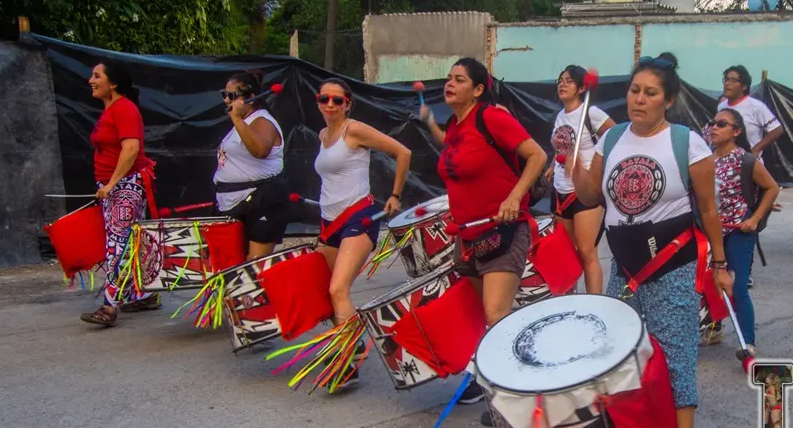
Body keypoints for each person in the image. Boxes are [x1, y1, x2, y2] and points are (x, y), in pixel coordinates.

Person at [573, 52, 731, 428]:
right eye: (634, 90)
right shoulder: (611, 139)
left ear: (669, 100)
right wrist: (575, 160)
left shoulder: (687, 144)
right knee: (618, 356)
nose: (638, 99)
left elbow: (708, 210)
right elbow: (590, 196)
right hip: (624, 270)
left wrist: (721, 265)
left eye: (650, 93)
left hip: (673, 270)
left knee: (676, 359)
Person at [421, 58, 549, 410]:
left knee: (495, 313)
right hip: (467, 235)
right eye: (449, 78)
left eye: (459, 79)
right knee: (487, 313)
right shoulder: (455, 125)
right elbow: (455, 152)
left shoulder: (491, 117)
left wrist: (514, 197)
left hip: (503, 229)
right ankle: (494, 374)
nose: (450, 84)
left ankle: (513, 398)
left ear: (478, 89)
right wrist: (430, 123)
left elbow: (537, 155)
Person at [313, 78, 413, 390]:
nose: (330, 104)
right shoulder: (323, 135)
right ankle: (350, 346)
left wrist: (395, 194)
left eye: (337, 100)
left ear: (348, 104)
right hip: (329, 222)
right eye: (324, 99)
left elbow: (403, 152)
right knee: (325, 291)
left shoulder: (353, 130)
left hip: (358, 217)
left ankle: (347, 361)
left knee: (338, 289)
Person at [80, 61, 159, 326]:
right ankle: (143, 295)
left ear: (113, 83)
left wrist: (112, 184)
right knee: (128, 243)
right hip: (118, 185)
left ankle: (109, 307)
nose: (91, 80)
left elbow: (131, 149)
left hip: (125, 186)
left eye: (97, 76)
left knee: (119, 246)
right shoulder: (113, 110)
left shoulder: (124, 109)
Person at [701, 107, 780, 354]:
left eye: (721, 124)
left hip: (738, 232)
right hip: (709, 232)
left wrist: (755, 218)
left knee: (737, 287)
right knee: (708, 283)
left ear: (736, 131)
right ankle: (713, 328)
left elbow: (772, 188)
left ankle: (748, 342)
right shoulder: (703, 160)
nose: (714, 127)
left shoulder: (746, 160)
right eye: (712, 123)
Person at [549, 65, 615, 294]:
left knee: (587, 252)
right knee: (566, 254)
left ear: (581, 88)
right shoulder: (560, 116)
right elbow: (562, 147)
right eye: (560, 80)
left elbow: (616, 137)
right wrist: (553, 164)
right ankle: (571, 302)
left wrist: (593, 165)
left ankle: (594, 304)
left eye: (568, 81)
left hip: (584, 192)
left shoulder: (591, 113)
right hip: (560, 190)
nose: (562, 84)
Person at [214, 70, 289, 261]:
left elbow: (260, 150)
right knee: (231, 263)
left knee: (253, 266)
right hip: (234, 202)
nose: (226, 100)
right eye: (224, 95)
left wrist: (237, 119)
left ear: (250, 98)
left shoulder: (262, 121)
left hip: (260, 199)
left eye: (232, 96)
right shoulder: (243, 123)